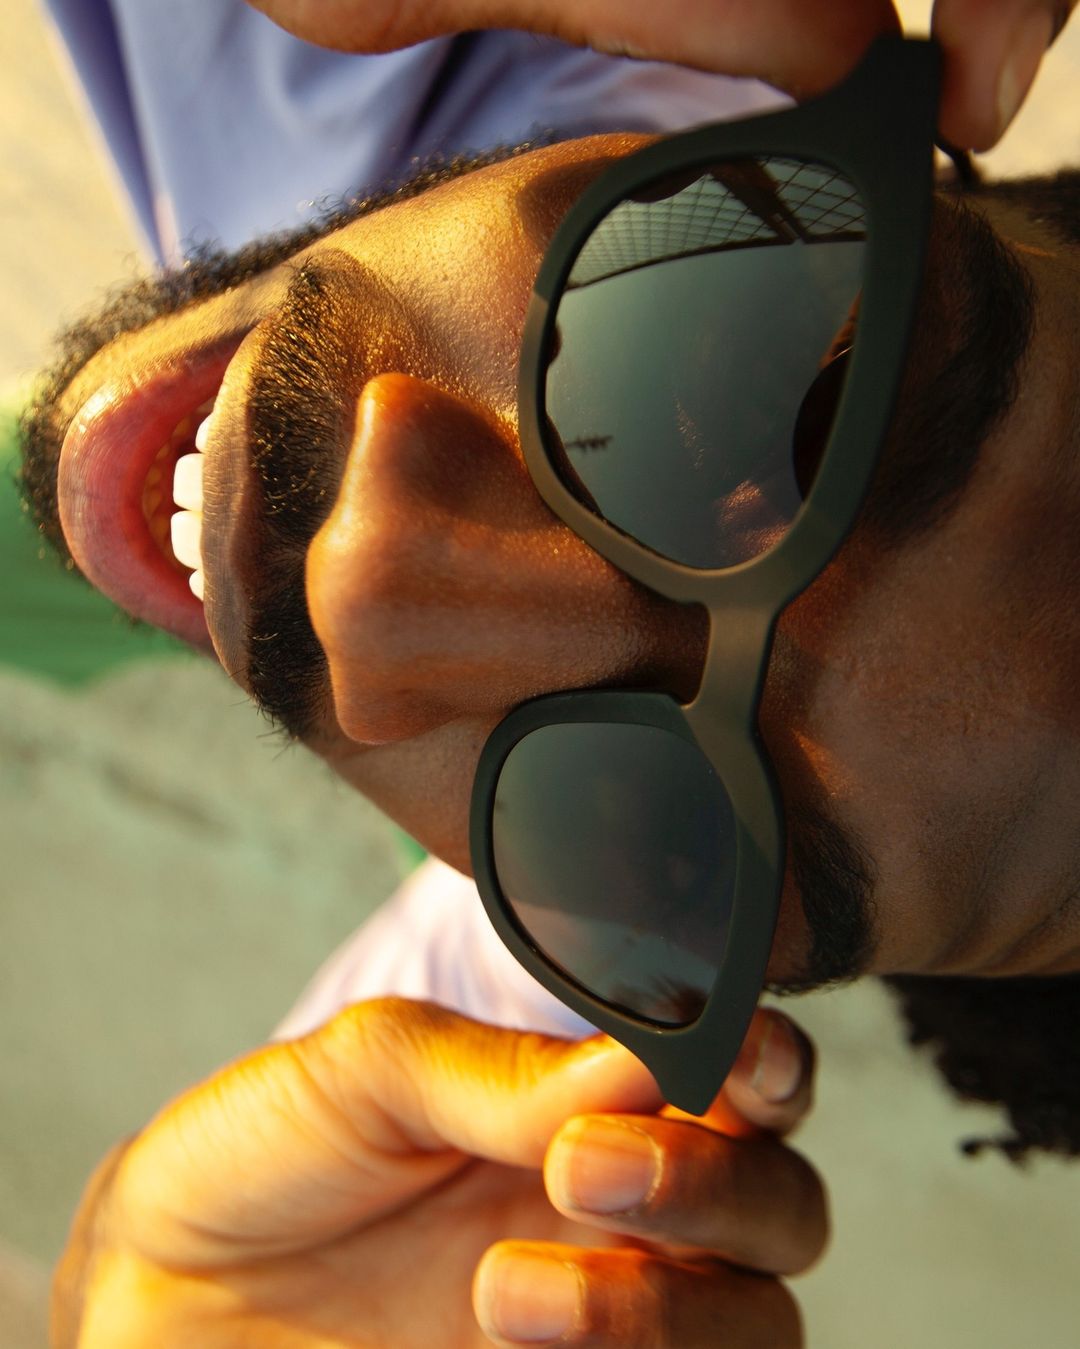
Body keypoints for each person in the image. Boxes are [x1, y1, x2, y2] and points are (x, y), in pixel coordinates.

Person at [23, 1, 1079, 1345]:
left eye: (665, 834)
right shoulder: (520, 47)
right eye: (734, 385)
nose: (366, 589)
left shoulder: (548, 991)